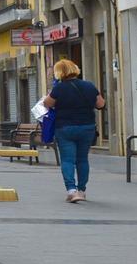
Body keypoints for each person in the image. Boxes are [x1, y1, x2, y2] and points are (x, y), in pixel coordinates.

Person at [43, 59, 106, 203]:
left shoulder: (59, 88)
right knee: (82, 159)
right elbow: (101, 104)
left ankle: (72, 191)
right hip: (87, 127)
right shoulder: (89, 85)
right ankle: (82, 190)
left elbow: (47, 104)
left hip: (65, 128)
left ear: (59, 72)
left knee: (67, 160)